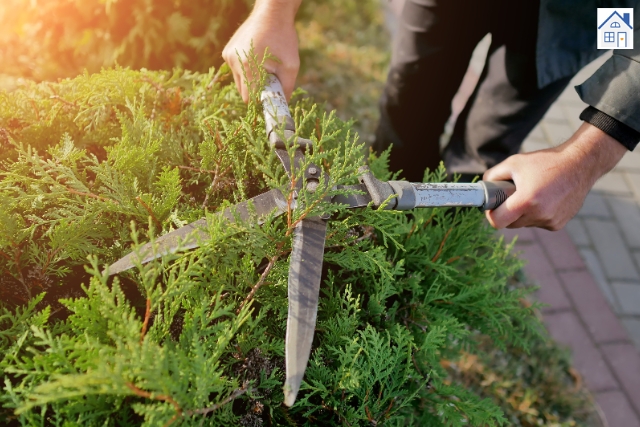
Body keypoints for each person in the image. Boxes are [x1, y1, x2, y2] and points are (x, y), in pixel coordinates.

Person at [222, 0, 640, 231]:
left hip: (592, 13)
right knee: (407, 112)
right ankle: (378, 227)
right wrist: (272, 11)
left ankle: (439, 237)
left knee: (485, 153)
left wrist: (589, 153)